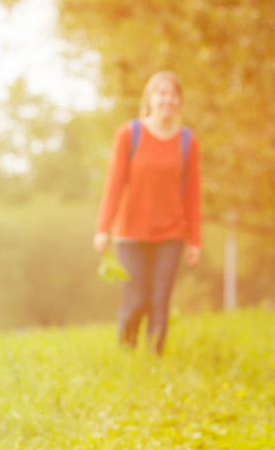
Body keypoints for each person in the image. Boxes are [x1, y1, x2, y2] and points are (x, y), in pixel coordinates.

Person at [94, 71, 202, 355]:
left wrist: (195, 241)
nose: (167, 99)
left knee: (159, 300)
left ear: (179, 101)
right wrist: (103, 228)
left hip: (171, 232)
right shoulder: (130, 134)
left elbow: (193, 194)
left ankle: (155, 360)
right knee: (137, 299)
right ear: (150, 98)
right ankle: (127, 353)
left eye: (173, 94)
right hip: (131, 232)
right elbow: (114, 183)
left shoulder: (187, 141)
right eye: (161, 93)